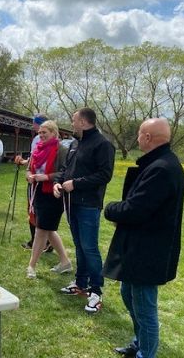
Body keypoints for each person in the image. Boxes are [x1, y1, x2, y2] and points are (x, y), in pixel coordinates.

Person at [103, 118, 184, 358]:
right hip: (140, 245)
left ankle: (145, 353)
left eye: (140, 133)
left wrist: (110, 208)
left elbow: (135, 209)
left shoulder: (162, 167)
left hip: (149, 249)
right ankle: (139, 342)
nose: (137, 138)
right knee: (128, 294)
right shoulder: (160, 163)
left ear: (148, 138)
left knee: (145, 306)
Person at [53, 107, 115, 313]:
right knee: (79, 245)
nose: (71, 123)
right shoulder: (74, 143)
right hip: (71, 203)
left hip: (89, 204)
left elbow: (105, 175)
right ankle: (80, 284)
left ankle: (96, 290)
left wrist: (76, 184)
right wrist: (58, 182)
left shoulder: (103, 144)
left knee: (90, 247)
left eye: (73, 120)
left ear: (83, 122)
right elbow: (65, 169)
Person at [25, 120, 73, 278]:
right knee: (49, 229)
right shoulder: (37, 149)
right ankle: (65, 262)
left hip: (53, 193)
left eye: (44, 132)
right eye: (39, 133)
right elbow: (29, 168)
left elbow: (66, 172)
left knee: (41, 229)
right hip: (38, 192)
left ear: (54, 133)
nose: (41, 135)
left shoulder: (62, 150)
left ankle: (31, 266)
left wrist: (46, 177)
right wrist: (29, 176)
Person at [14, 114, 52, 252]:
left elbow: (34, 160)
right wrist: (25, 162)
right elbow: (33, 158)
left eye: (35, 123)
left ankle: (37, 242)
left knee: (33, 210)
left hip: (37, 181)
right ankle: (44, 242)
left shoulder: (37, 138)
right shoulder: (44, 139)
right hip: (39, 179)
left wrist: (25, 164)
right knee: (39, 212)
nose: (34, 126)